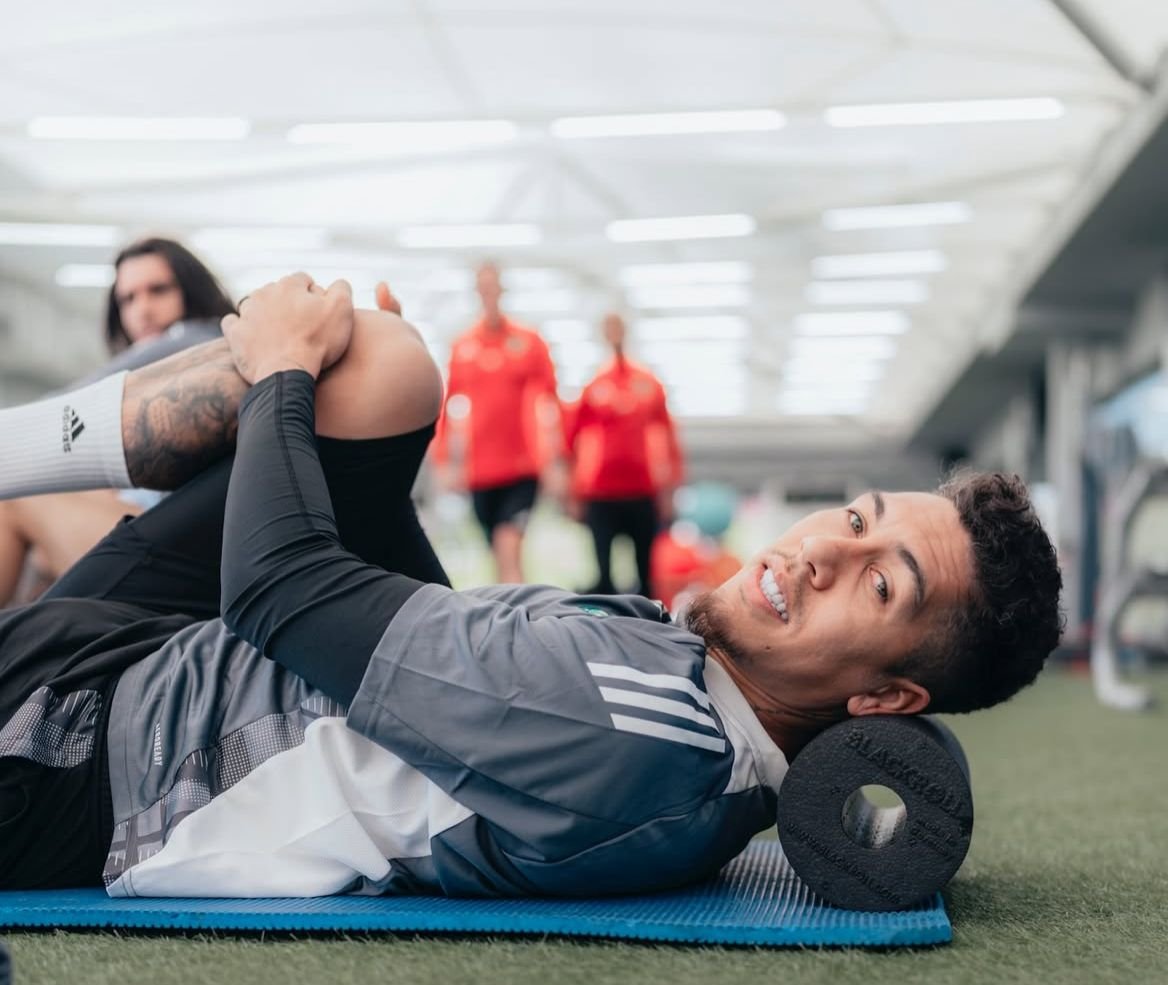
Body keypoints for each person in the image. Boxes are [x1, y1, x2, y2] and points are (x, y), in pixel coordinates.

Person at [0, 274, 1063, 899]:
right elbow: (431, 660)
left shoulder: (643, 728)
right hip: (159, 669)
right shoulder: (697, 696)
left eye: (877, 586)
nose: (823, 551)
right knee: (384, 374)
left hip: (90, 747)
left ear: (885, 697)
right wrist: (373, 463)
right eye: (856, 518)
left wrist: (282, 368)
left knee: (348, 363)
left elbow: (277, 592)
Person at [0, 238, 236, 607]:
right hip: (171, 538)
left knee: (14, 497)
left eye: (158, 290)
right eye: (128, 299)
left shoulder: (198, 339)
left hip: (187, 558)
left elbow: (59, 408)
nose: (143, 309)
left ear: (192, 290)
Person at [430, 261, 565, 583]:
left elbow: (552, 402)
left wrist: (558, 461)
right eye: (483, 286)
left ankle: (517, 610)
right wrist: (445, 460)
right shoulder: (463, 346)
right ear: (477, 290)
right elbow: (447, 406)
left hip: (522, 468)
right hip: (480, 471)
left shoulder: (529, 342)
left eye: (494, 285)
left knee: (509, 546)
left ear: (502, 288)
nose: (489, 292)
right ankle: (511, 607)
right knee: (497, 554)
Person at [566, 313, 683, 596]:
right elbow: (571, 441)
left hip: (641, 491)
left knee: (645, 577)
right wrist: (573, 492)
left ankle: (646, 618)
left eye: (617, 327)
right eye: (609, 328)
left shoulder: (648, 383)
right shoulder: (593, 385)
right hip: (601, 493)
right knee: (603, 577)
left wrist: (669, 490)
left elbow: (668, 439)